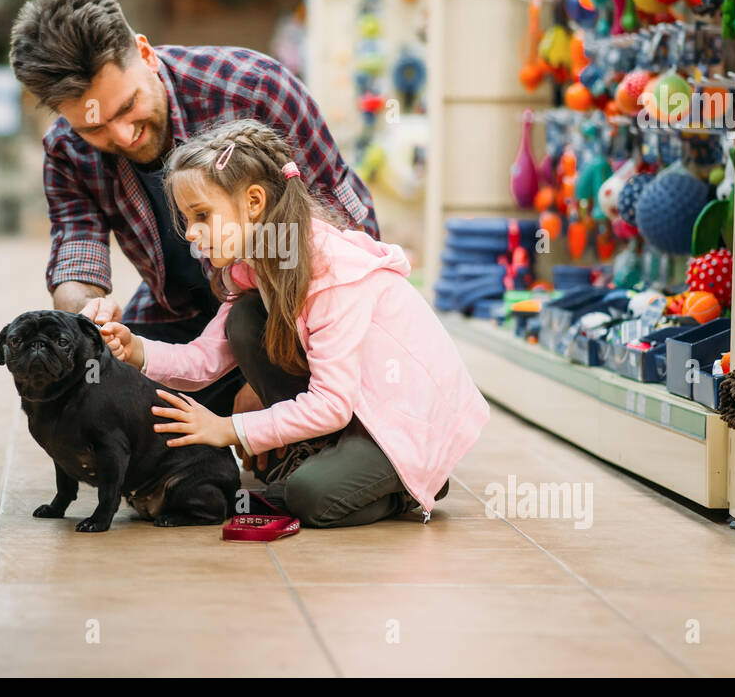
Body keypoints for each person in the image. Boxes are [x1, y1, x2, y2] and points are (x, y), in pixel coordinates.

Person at [8, 0, 379, 476]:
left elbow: (350, 236)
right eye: (93, 128)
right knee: (100, 380)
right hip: (181, 318)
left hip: (290, 313)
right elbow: (77, 251)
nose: (120, 136)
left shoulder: (254, 90)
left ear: (144, 53)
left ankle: (326, 429)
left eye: (127, 107)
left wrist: (267, 381)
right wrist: (86, 314)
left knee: (250, 321)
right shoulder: (65, 150)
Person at [96, 119, 491, 527]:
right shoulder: (257, 266)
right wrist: (137, 350)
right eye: (186, 218)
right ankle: (328, 458)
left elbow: (332, 405)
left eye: (202, 215)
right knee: (246, 319)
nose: (192, 233)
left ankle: (411, 485)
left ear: (253, 202)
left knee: (308, 497)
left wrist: (227, 429)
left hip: (402, 420)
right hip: (356, 409)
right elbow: (205, 360)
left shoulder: (330, 274)